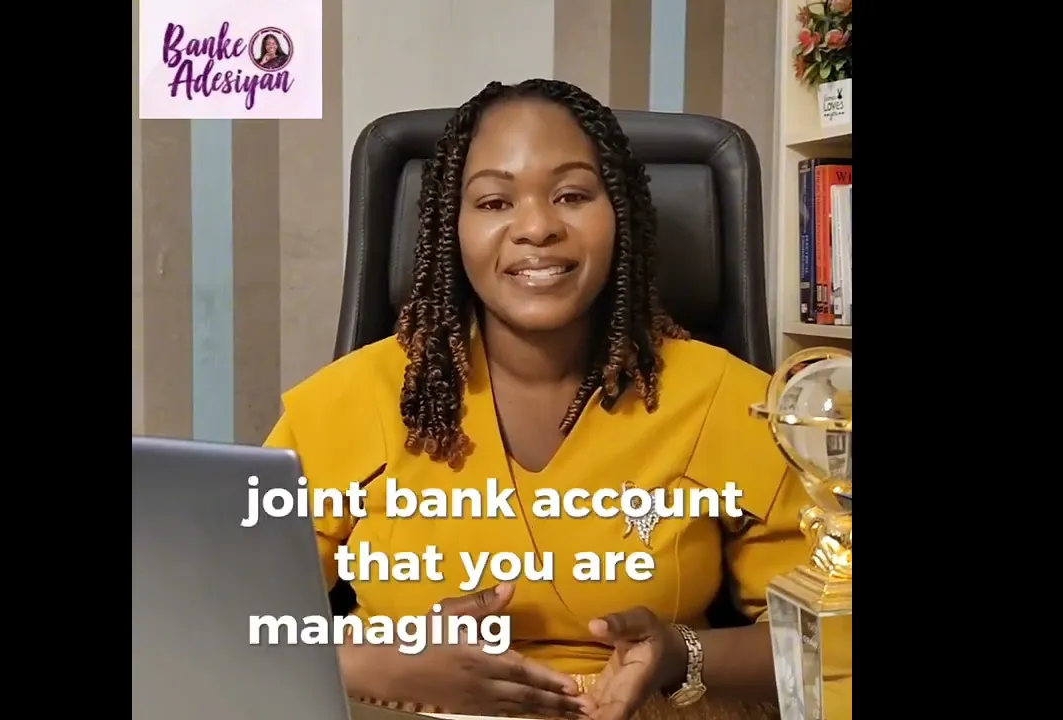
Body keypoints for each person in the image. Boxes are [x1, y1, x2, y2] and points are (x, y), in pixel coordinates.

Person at [265, 79, 812, 720]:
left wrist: (680, 655)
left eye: (572, 196)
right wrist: (376, 663)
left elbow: (832, 631)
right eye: (494, 202)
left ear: (621, 214)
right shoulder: (350, 398)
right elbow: (226, 617)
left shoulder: (727, 398)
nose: (537, 228)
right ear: (451, 227)